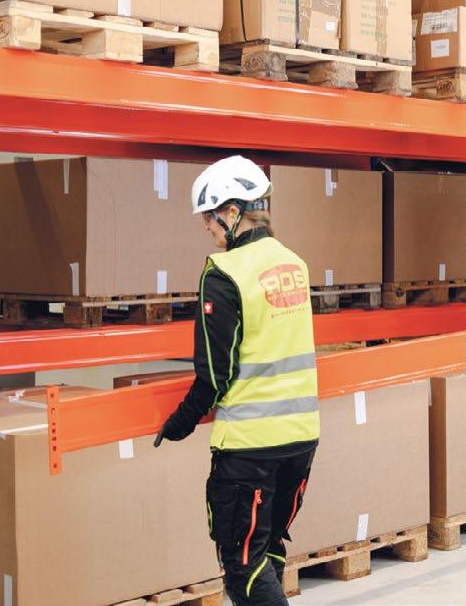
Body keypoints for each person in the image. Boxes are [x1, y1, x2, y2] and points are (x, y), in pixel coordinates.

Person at [154, 155, 319, 606]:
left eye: (209, 216)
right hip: (301, 440)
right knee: (268, 549)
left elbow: (215, 374)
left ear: (232, 211)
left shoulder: (223, 274)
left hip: (249, 448)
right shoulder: (294, 264)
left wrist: (181, 422)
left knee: (243, 567)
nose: (206, 226)